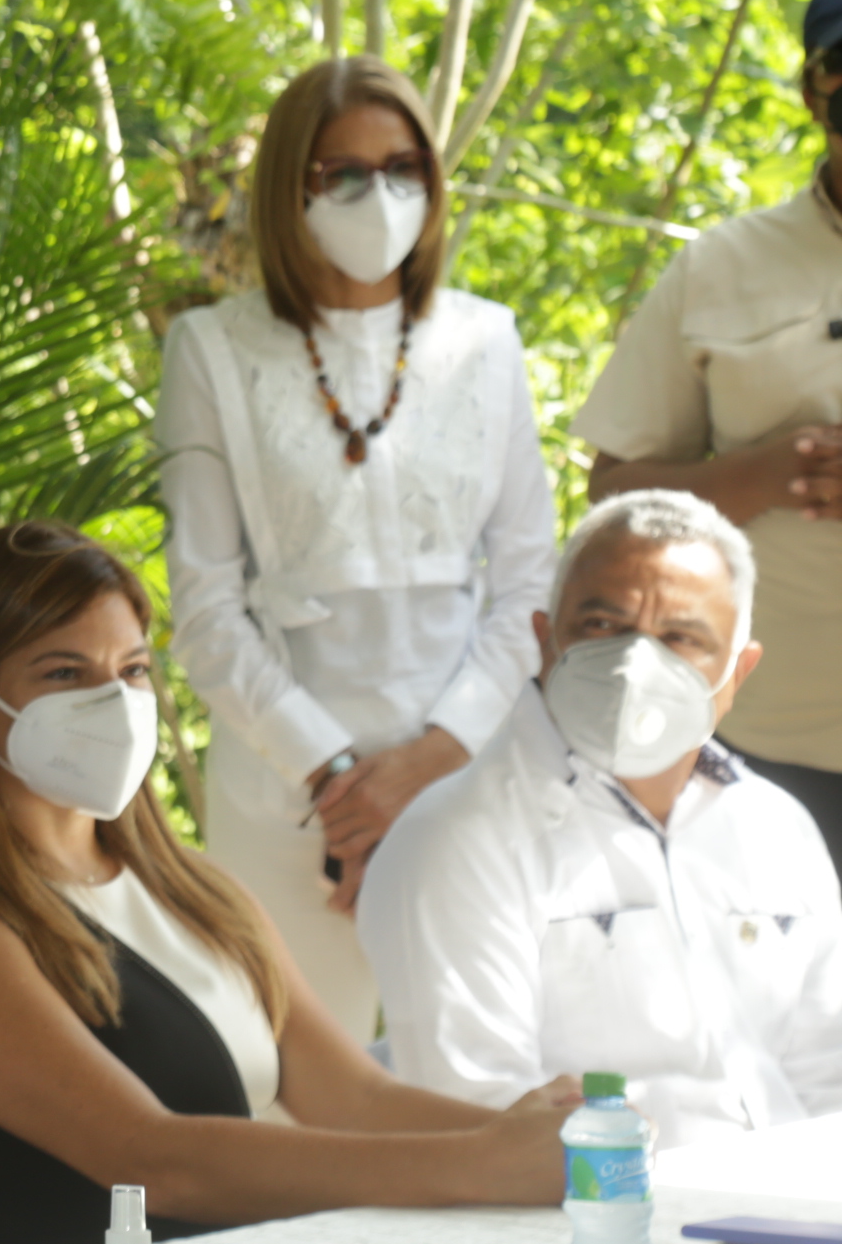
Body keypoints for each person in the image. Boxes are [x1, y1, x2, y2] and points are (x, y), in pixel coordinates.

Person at [0, 520, 574, 1244]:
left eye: (132, 670)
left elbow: (358, 1101)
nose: (111, 700)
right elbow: (155, 1162)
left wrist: (531, 1136)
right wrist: (481, 1164)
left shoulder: (197, 891)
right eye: (64, 673)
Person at [156, 55, 556, 1035]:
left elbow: (530, 588)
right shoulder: (211, 350)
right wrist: (339, 783)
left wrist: (430, 760)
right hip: (286, 790)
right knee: (292, 1084)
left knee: (485, 1075)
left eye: (403, 169)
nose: (379, 198)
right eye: (343, 174)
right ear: (290, 189)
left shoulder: (487, 340)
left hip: (468, 768)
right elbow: (204, 611)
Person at [358, 491, 842, 1148]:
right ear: (544, 640)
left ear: (738, 673)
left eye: (681, 638)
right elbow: (476, 1122)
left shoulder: (776, 829)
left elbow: (827, 1079)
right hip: (597, 1203)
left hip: (784, 1199)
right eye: (602, 625)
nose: (636, 665)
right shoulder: (458, 839)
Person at [572, 0, 842, 865]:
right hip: (753, 755)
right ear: (813, 86)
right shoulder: (722, 266)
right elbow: (612, 497)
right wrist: (759, 475)